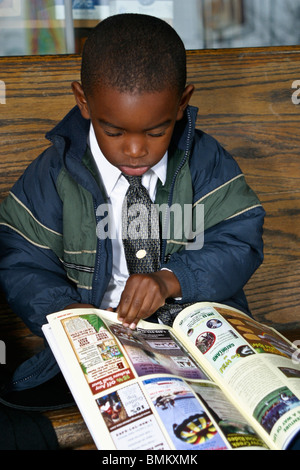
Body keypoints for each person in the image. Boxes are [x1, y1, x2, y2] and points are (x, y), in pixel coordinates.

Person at [0, 14, 265, 394]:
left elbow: (239, 239)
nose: (137, 150)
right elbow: (22, 256)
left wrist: (170, 279)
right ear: (83, 102)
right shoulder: (55, 175)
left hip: (198, 334)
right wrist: (70, 315)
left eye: (157, 131)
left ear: (181, 103)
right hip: (99, 341)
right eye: (114, 131)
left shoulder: (204, 161)